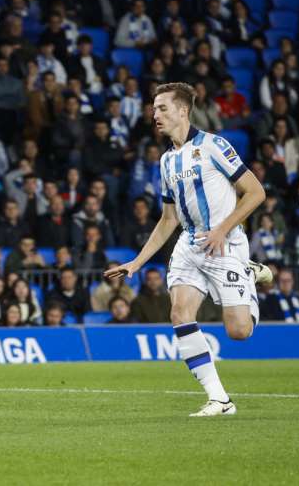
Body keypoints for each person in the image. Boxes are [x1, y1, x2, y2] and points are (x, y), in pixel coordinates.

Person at [105, 82, 272, 417]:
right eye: (153, 109)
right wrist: (137, 263)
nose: (155, 115)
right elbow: (169, 219)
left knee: (239, 332)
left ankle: (248, 273)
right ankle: (220, 400)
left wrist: (222, 229)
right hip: (189, 245)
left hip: (224, 243)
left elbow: (255, 192)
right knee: (180, 313)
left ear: (183, 110)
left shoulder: (214, 146)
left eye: (162, 108)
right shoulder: (166, 162)